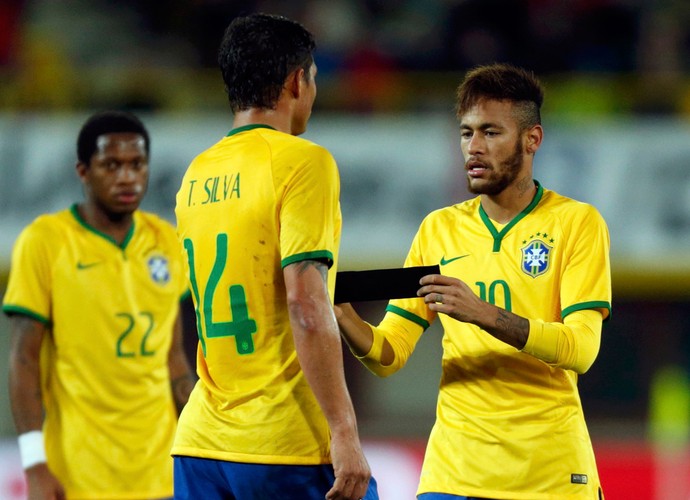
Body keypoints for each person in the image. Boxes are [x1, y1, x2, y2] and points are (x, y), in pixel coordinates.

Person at [336, 63, 612, 500]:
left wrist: (482, 313)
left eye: (491, 132)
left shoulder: (577, 223)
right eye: (466, 133)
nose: (474, 148)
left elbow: (581, 349)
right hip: (454, 474)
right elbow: (389, 353)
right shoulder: (437, 229)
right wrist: (342, 315)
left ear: (532, 139)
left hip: (549, 474)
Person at [172, 13, 377, 500]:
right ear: (295, 81)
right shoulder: (302, 162)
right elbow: (306, 304)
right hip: (283, 444)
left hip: (200, 444)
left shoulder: (195, 174)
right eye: (313, 79)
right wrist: (344, 433)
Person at [3, 110, 195, 499]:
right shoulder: (46, 241)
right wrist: (34, 464)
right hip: (79, 475)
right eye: (111, 165)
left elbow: (173, 359)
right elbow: (24, 360)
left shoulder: (168, 242)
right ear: (83, 172)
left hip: (161, 474)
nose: (127, 177)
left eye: (137, 164)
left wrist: (206, 445)